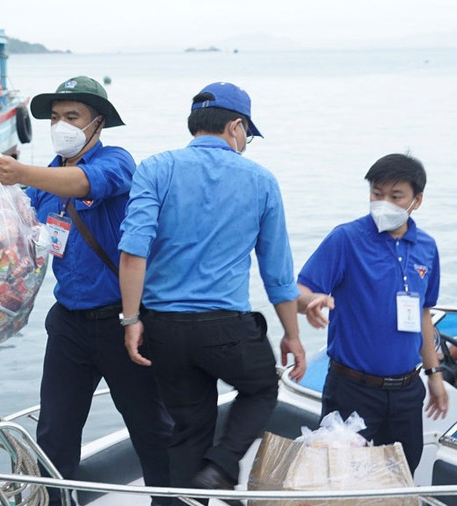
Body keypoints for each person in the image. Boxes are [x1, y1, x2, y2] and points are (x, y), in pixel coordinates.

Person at [118, 81, 306, 503]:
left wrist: (131, 321)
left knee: (188, 429)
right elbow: (277, 273)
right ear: (236, 126)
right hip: (226, 330)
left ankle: (194, 492)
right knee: (261, 389)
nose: (246, 143)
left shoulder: (156, 168)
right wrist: (291, 335)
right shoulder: (261, 181)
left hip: (163, 330)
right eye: (248, 135)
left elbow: (132, 253)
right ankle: (222, 465)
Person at [0, 76, 173, 506]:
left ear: (98, 123)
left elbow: (85, 184)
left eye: (72, 116)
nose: (61, 125)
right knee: (55, 428)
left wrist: (19, 170)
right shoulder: (44, 178)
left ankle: (171, 501)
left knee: (150, 427)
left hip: (122, 323)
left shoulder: (118, 161)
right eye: (55, 117)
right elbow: (17, 224)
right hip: (68, 323)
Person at [297, 153, 448, 474]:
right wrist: (311, 300)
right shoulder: (346, 239)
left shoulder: (426, 247)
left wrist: (434, 376)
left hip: (408, 391)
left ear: (416, 201)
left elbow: (423, 314)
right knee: (342, 480)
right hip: (352, 390)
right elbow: (299, 290)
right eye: (377, 194)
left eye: (396, 197)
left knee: (399, 477)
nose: (384, 203)